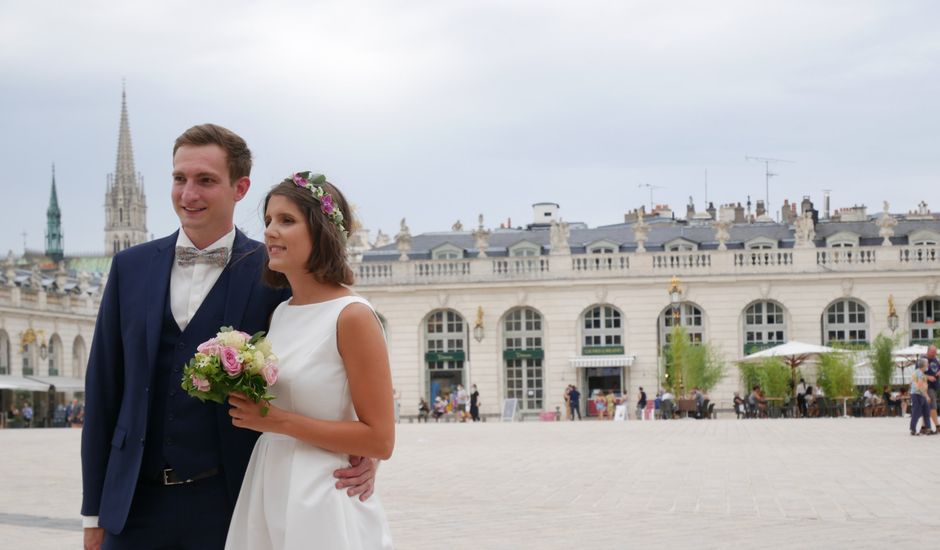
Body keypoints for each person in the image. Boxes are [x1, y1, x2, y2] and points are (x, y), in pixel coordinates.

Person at [81, 125, 378, 550]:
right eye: (179, 178)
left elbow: (324, 364)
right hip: (133, 507)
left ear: (240, 188)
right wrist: (94, 511)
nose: (188, 194)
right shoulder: (130, 268)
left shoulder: (277, 273)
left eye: (205, 180)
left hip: (232, 503)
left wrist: (362, 454)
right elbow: (104, 391)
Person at [225, 172, 394, 549]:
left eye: (286, 221)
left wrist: (275, 420)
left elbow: (380, 439)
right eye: (268, 220)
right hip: (269, 484)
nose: (270, 231)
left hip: (322, 494)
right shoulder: (281, 314)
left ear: (321, 232)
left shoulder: (352, 316)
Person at [911, 358, 933, 435]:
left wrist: (926, 396)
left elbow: (924, 386)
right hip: (917, 395)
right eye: (927, 363)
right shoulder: (919, 373)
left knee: (926, 412)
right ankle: (913, 429)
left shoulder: (921, 373)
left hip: (921, 395)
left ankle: (928, 428)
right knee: (916, 413)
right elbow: (920, 386)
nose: (928, 365)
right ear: (923, 365)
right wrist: (926, 396)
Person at [925, 345, 940, 428]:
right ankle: (938, 426)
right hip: (927, 386)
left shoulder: (935, 359)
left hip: (934, 386)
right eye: (933, 352)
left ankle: (924, 427)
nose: (935, 353)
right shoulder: (923, 360)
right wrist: (928, 377)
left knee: (926, 408)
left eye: (935, 352)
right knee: (933, 406)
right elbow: (917, 374)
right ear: (928, 351)